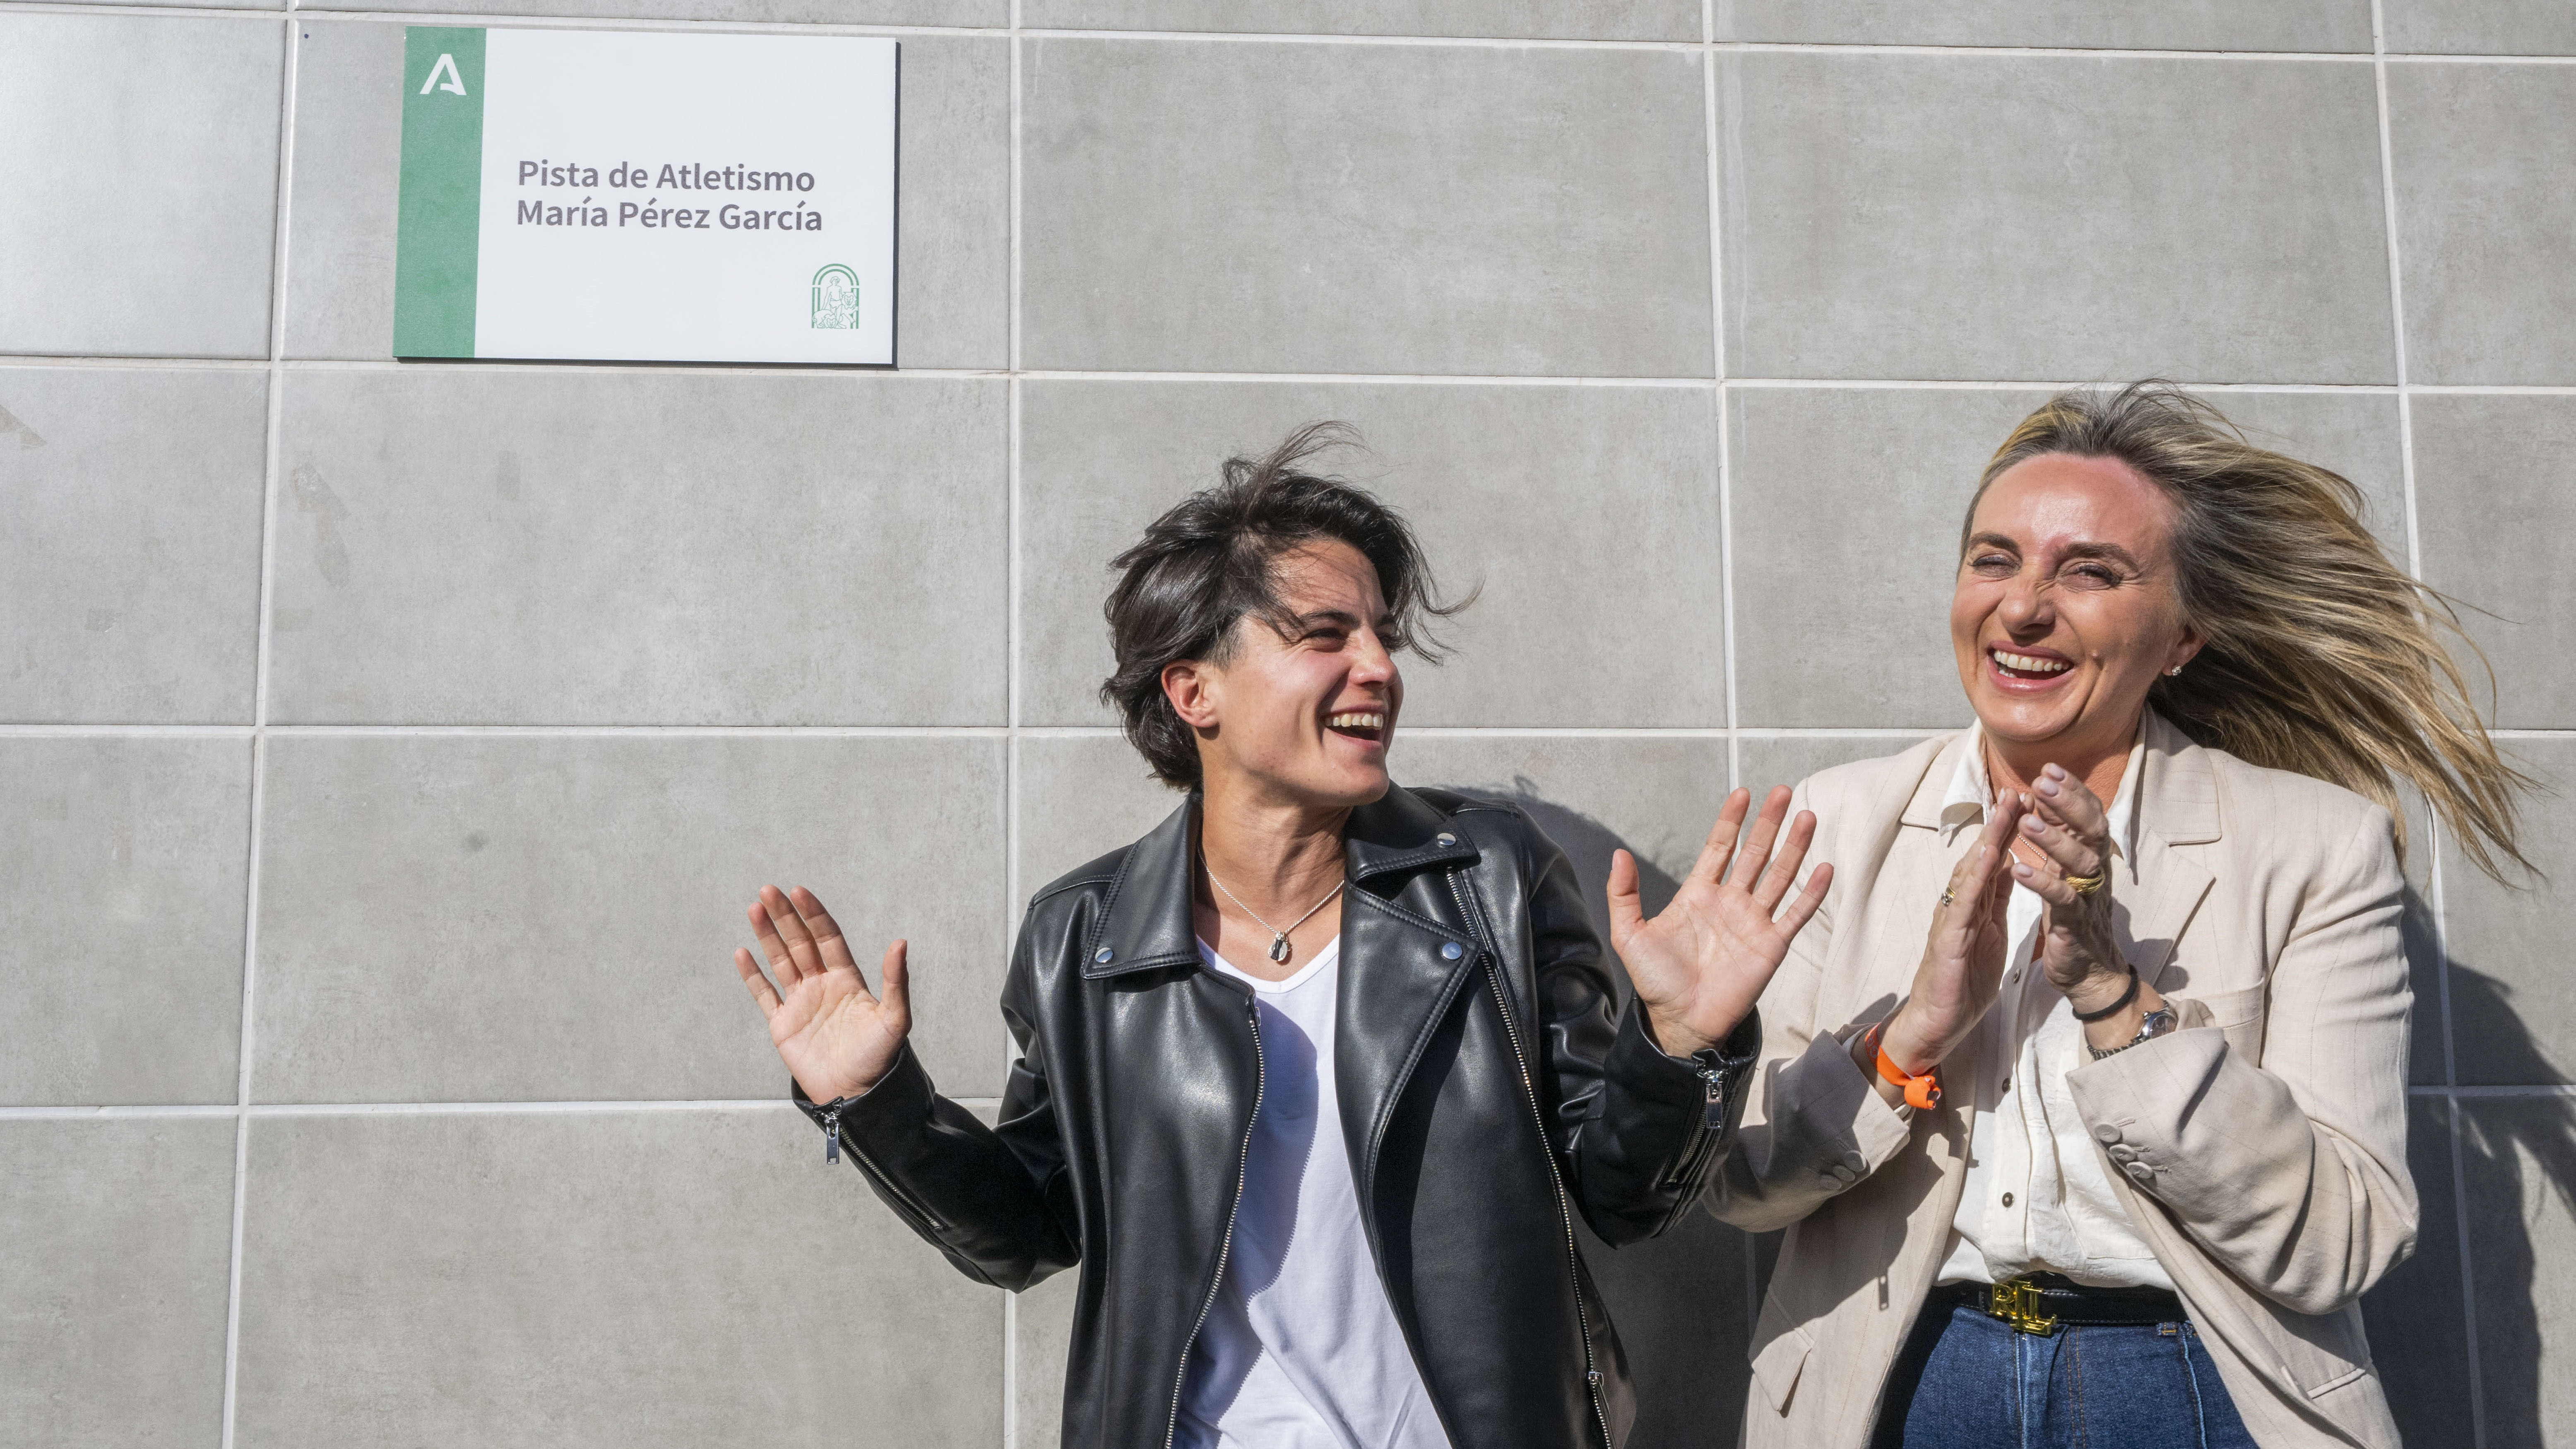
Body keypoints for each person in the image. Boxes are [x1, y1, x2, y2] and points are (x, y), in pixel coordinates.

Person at [728, 425, 1833, 1449]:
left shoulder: (1493, 879)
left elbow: (1624, 1197)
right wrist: (877, 1105)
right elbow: (1030, 1230)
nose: (1380, 667)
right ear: (1194, 691)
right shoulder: (1086, 938)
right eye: (1324, 635)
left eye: (1382, 635)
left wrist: (1680, 1042)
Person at [1710, 383, 2530, 1449]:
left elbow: (2344, 1237)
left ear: (2184, 634)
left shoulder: (2316, 846)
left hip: (2193, 1380)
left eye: (2090, 571)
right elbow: (1741, 1185)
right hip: (1901, 1379)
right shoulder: (1839, 823)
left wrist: (2113, 998)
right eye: (1994, 560)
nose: (2023, 608)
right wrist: (1904, 1043)